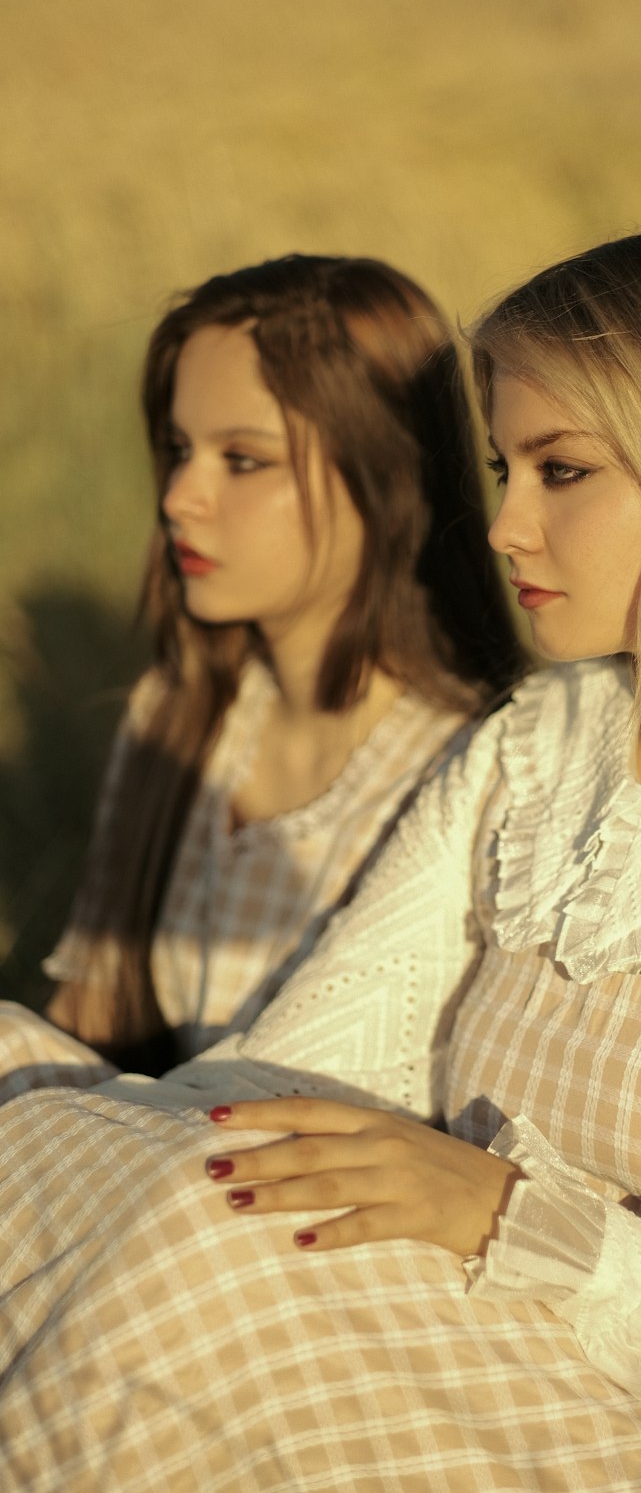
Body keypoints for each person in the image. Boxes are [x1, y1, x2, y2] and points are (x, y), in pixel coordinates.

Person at [0, 228, 641, 1490]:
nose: (507, 526)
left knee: (195, 1257)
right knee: (43, 1105)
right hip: (470, 1352)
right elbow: (304, 1072)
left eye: (561, 471)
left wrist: (507, 1216)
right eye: (500, 469)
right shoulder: (537, 751)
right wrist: (89, 1135)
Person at [0, 254, 526, 1092]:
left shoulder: (484, 772)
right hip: (145, 1175)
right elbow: (85, 1028)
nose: (179, 496)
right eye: (178, 448)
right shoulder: (179, 715)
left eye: (242, 459)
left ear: (388, 474)